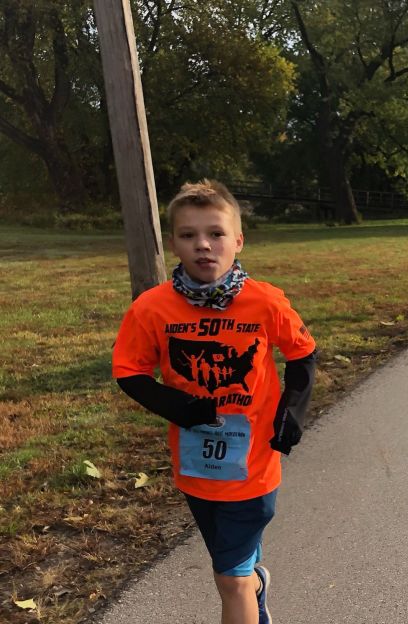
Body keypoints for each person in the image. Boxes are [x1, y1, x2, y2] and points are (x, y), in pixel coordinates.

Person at [113, 180, 318, 624]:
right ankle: (255, 583)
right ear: (174, 243)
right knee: (234, 569)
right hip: (195, 467)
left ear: (238, 240)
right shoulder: (152, 308)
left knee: (229, 581)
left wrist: (293, 412)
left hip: (256, 462)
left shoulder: (264, 301)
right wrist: (178, 408)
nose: (203, 245)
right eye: (188, 235)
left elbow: (303, 354)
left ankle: (248, 587)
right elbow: (129, 371)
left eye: (216, 233)